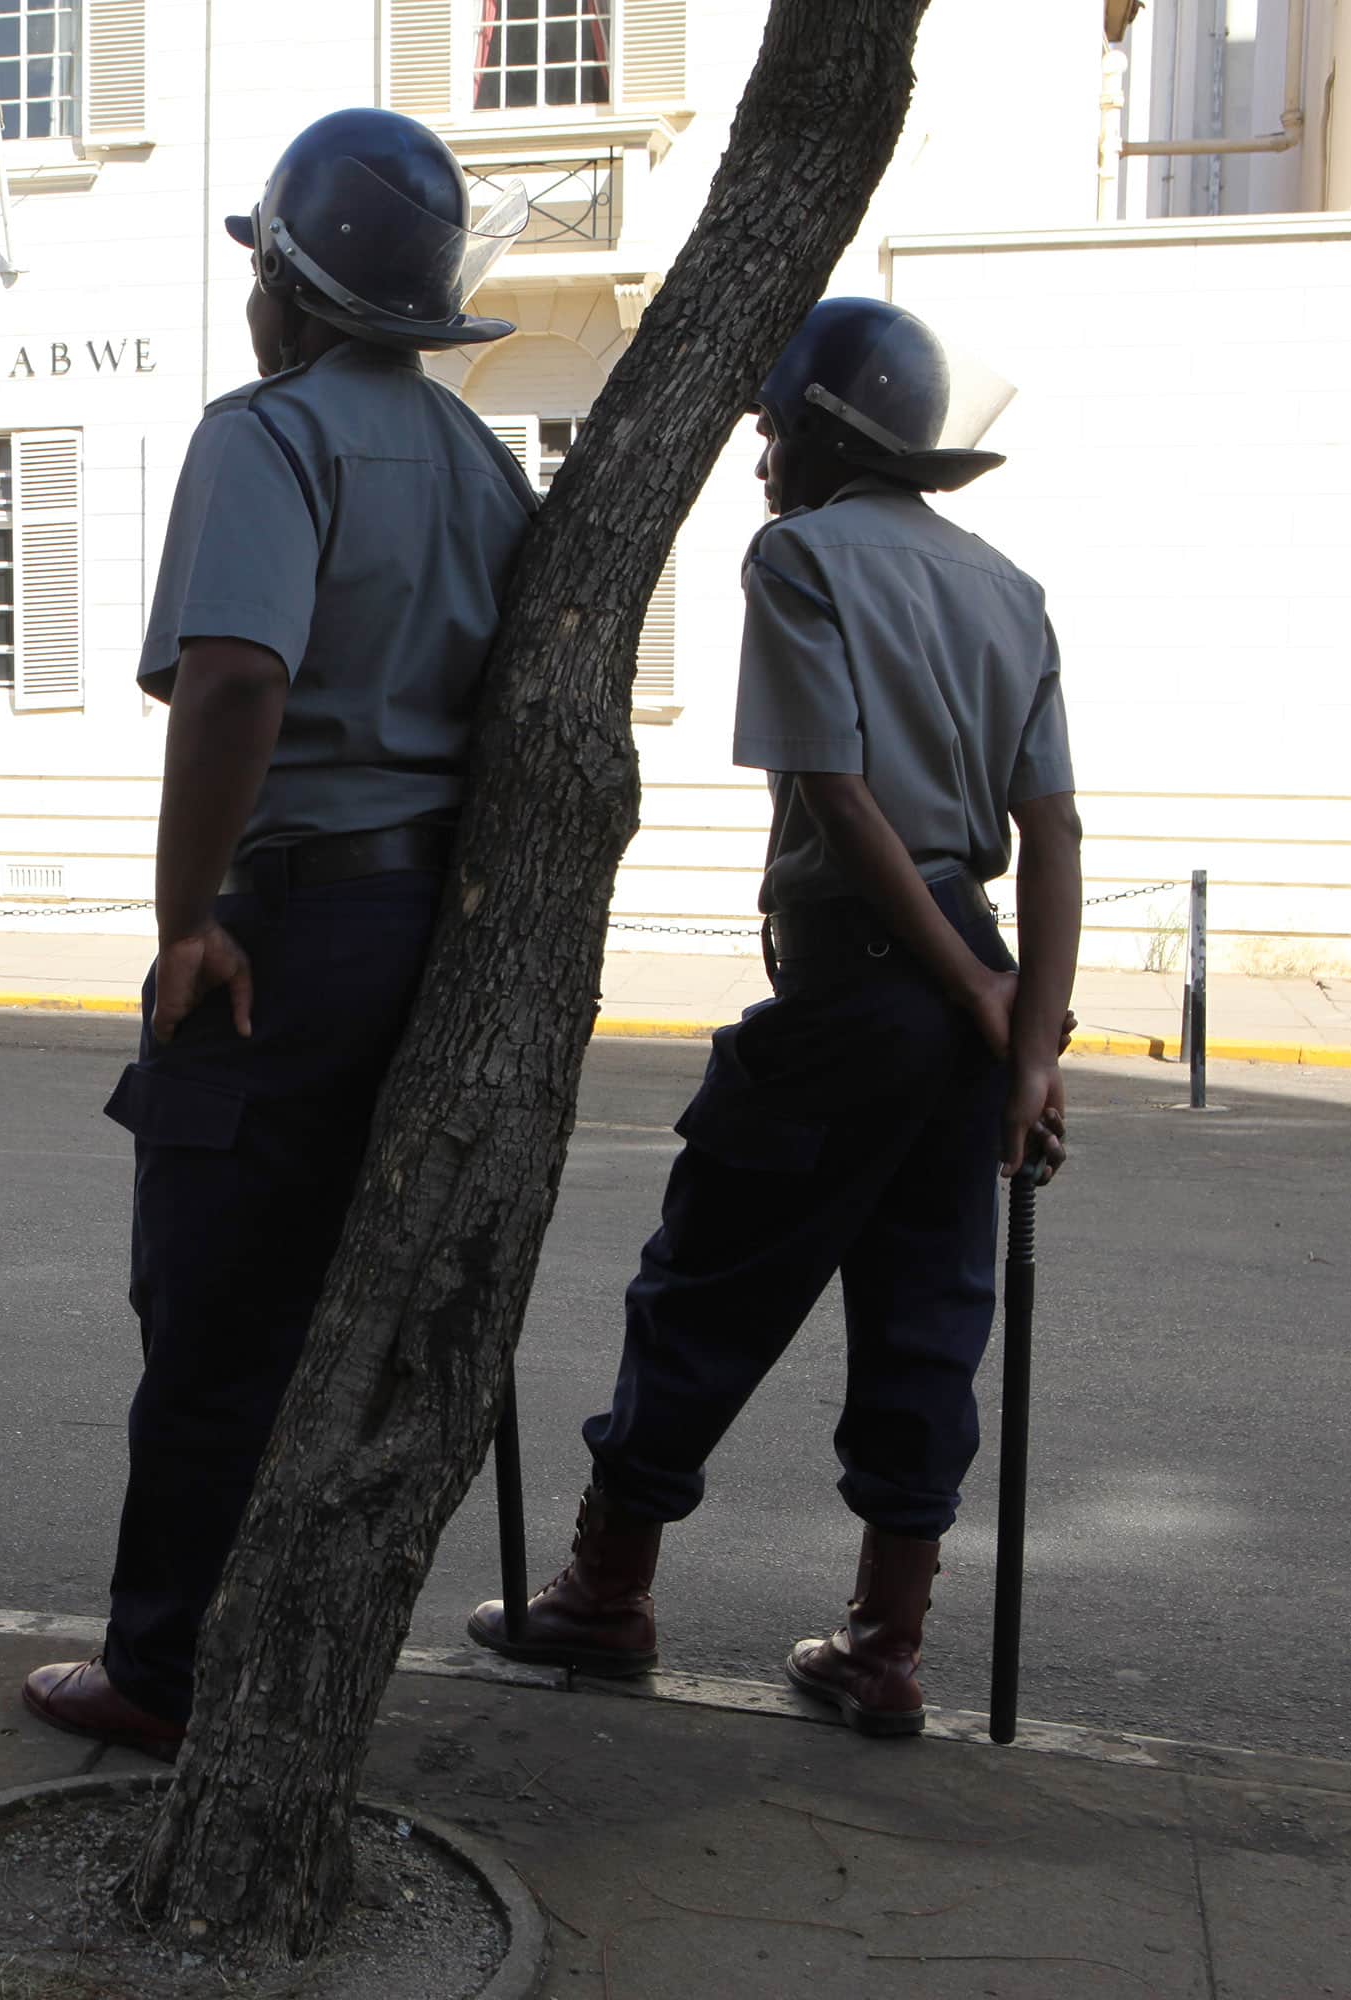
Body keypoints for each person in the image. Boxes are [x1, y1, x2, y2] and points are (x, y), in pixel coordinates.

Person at [467, 297, 1084, 1739]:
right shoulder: (1007, 586)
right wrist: (1028, 1035)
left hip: (869, 977)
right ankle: (886, 1647)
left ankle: (606, 1596)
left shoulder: (798, 556)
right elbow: (1050, 829)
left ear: (818, 432)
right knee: (929, 1312)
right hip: (969, 982)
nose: (757, 463)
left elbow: (838, 794)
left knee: (706, 1282)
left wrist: (974, 989)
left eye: (768, 432)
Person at [20, 108, 536, 1758]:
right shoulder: (480, 464)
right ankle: (292, 1659)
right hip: (417, 929)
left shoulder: (268, 432)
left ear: (293, 292)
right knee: (341, 1311)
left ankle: (166, 1671)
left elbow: (236, 676)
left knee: (214, 1313)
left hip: (292, 919)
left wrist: (185, 923)